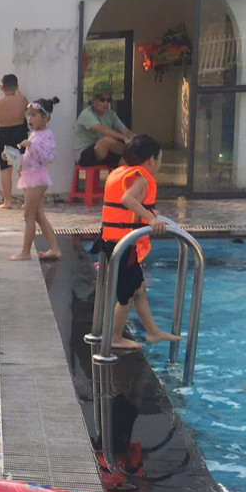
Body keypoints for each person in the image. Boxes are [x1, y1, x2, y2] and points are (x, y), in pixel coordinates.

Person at [95, 133, 181, 350]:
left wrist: (151, 214)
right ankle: (115, 337)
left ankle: (153, 332)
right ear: (151, 160)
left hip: (116, 241)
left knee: (139, 288)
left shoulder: (124, 173)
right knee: (126, 294)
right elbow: (127, 200)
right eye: (160, 159)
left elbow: (133, 207)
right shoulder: (141, 178)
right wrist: (151, 219)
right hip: (122, 244)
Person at [7, 96, 63, 262]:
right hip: (29, 177)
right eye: (28, 115)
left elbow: (49, 157)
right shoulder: (33, 135)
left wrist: (33, 146)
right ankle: (54, 249)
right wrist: (12, 156)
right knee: (38, 215)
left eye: (33, 115)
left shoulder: (47, 135)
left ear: (45, 118)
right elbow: (27, 159)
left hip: (37, 179)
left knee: (28, 215)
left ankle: (25, 252)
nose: (29, 119)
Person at [0, 73, 28, 209]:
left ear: (1, 88)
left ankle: (7, 201)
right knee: (22, 167)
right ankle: (27, 200)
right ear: (16, 87)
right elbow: (25, 107)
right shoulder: (22, 100)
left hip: (3, 134)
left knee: (5, 169)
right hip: (19, 132)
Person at [75, 86, 132, 167]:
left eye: (108, 100)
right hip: (85, 154)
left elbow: (126, 131)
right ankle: (131, 152)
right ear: (93, 100)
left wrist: (137, 139)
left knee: (126, 160)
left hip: (105, 152)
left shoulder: (111, 114)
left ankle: (127, 177)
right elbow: (102, 130)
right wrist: (123, 138)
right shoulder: (86, 114)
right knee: (106, 141)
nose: (106, 103)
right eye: (102, 100)